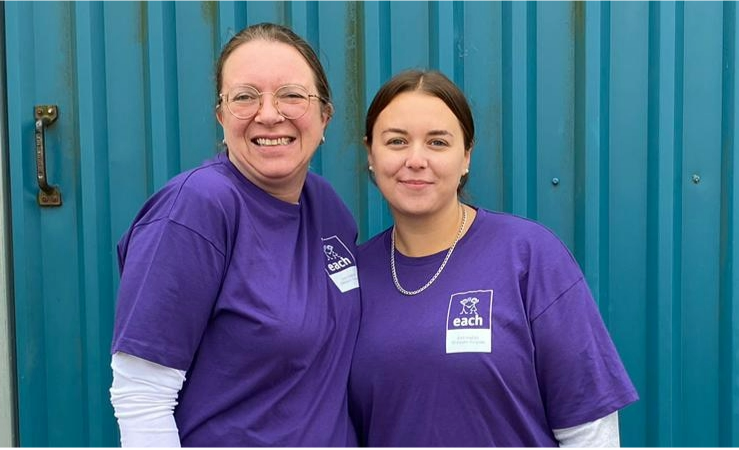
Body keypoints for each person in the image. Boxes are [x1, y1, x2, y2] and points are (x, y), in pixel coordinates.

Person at [348, 69, 638, 448]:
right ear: (371, 153)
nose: (416, 159)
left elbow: (590, 430)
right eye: (397, 141)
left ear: (466, 157)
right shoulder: (353, 278)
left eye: (438, 142)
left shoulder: (529, 256)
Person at [109, 23, 360, 448]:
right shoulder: (194, 210)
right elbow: (142, 395)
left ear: (325, 117)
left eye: (292, 95)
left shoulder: (328, 208)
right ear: (222, 117)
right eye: (244, 97)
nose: (269, 114)